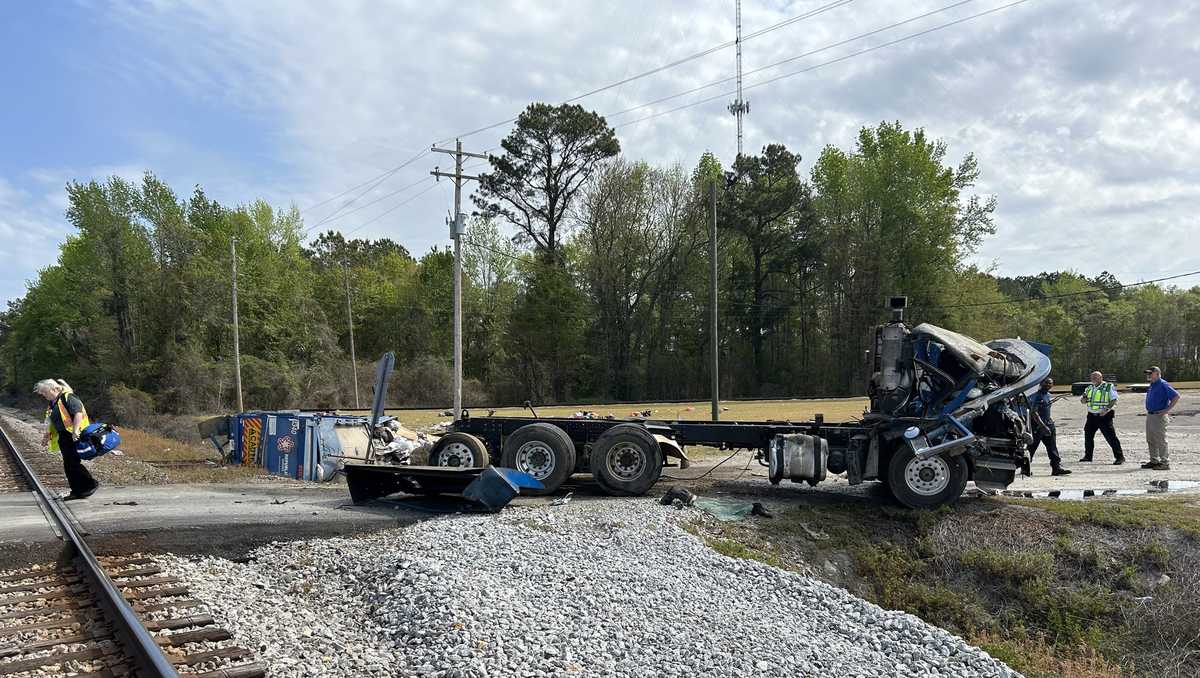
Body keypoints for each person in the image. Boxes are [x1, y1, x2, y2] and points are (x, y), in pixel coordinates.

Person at [33, 378, 99, 500]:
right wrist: (46, 437)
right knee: (69, 464)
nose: (43, 395)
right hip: (64, 437)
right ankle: (78, 490)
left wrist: (75, 430)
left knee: (72, 463)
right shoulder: (53, 403)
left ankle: (88, 485)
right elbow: (52, 422)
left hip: (72, 435)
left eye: (45, 392)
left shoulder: (68, 397)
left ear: (54, 389)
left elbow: (78, 413)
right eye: (42, 393)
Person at [1027, 377, 1071, 476]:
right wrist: (1042, 426)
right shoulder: (1036, 396)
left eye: (1050, 383)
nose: (1048, 385)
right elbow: (1034, 413)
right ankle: (1025, 469)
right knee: (1032, 448)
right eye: (1046, 383)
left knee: (1052, 448)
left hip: (1048, 424)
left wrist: (1049, 425)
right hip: (1038, 426)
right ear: (1041, 383)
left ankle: (1056, 468)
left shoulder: (1047, 395)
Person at [1079, 370, 1124, 465]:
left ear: (1101, 378)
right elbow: (1083, 400)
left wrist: (1106, 409)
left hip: (1104, 416)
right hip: (1091, 416)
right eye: (1092, 377)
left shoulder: (1108, 387)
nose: (1093, 379)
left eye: (1095, 377)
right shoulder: (1089, 388)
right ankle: (1088, 456)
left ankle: (1120, 457)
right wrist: (1083, 400)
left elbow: (1114, 399)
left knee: (1111, 437)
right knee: (1088, 436)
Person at [1142, 366, 1180, 471]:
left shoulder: (1163, 384)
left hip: (1159, 416)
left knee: (1161, 440)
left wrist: (1167, 410)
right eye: (1147, 373)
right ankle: (1154, 460)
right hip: (1150, 415)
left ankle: (1165, 463)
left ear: (1158, 374)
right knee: (1150, 439)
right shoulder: (1152, 384)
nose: (1148, 375)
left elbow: (1176, 396)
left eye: (1151, 373)